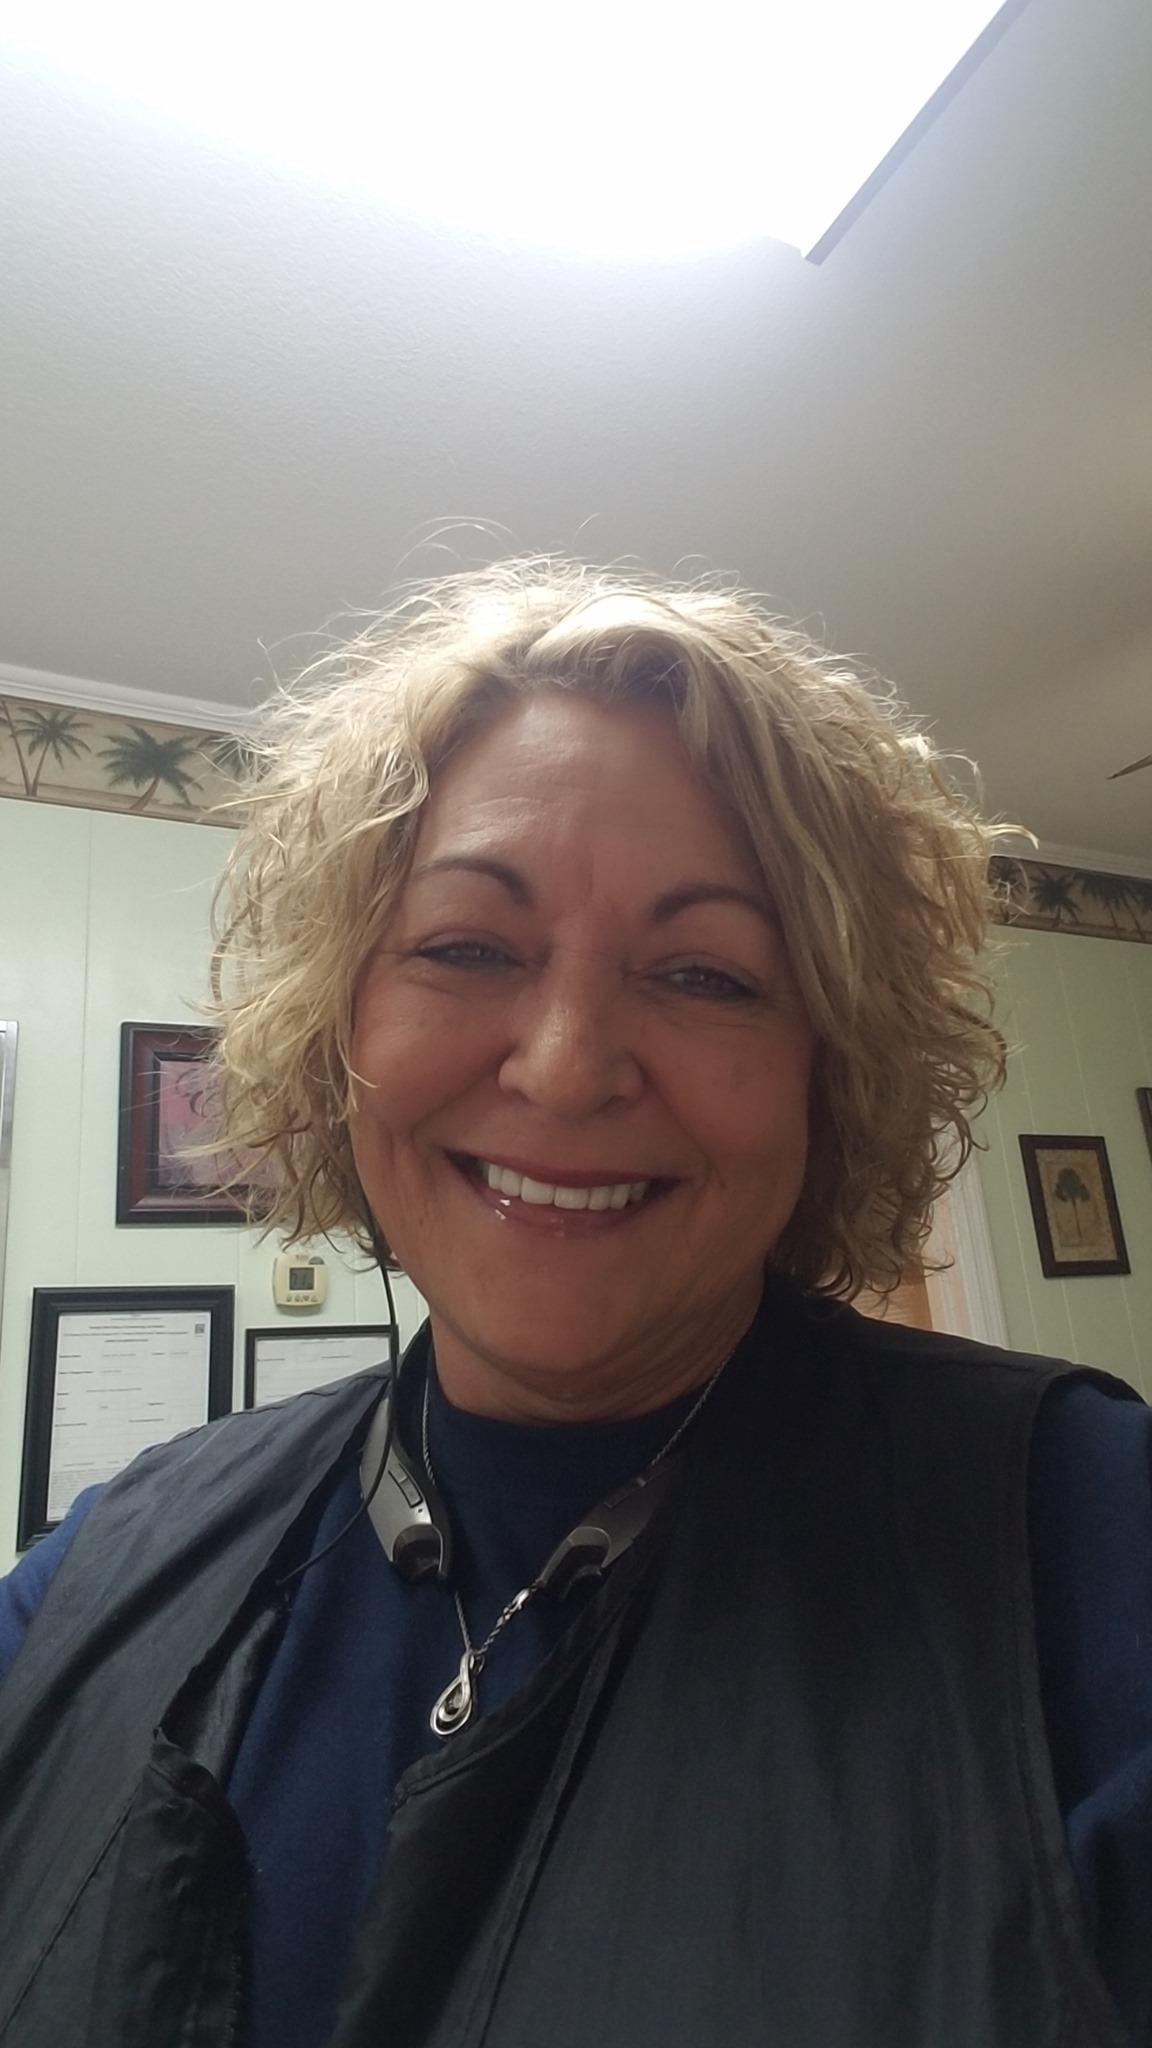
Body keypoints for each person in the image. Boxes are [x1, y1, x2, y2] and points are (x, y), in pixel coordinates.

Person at [0, 559, 1149, 2048]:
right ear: (340, 1024)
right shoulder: (100, 1566)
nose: (563, 1067)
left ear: (829, 1069)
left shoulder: (1084, 1543)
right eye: (467, 947)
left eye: (706, 974)